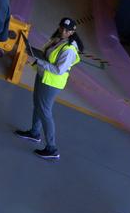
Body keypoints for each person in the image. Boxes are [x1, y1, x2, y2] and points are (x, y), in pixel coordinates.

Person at [16, 17, 82, 159]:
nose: (63, 31)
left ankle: (52, 148)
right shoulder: (57, 39)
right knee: (38, 105)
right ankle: (34, 133)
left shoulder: (69, 49)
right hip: (43, 75)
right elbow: (48, 55)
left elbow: (59, 70)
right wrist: (36, 55)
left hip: (52, 82)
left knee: (45, 112)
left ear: (72, 32)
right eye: (62, 28)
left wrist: (38, 60)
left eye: (67, 30)